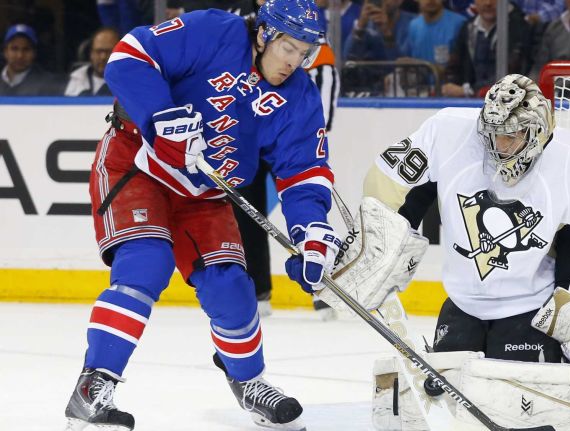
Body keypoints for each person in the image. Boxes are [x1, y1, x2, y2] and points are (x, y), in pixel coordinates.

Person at [63, 1, 342, 430]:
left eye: (304, 52)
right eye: (288, 46)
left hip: (204, 193)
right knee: (146, 264)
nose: (295, 61)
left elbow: (304, 169)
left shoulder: (298, 96)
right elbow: (128, 56)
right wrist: (163, 120)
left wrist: (311, 233)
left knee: (231, 285)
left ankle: (250, 383)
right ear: (264, 33)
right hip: (137, 165)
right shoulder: (217, 31)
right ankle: (93, 387)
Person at [362, 74, 570, 362]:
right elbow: (388, 183)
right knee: (448, 399)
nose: (499, 144)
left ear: (538, 132)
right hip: (461, 305)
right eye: (493, 132)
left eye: (511, 136)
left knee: (519, 403)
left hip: (530, 311)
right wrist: (378, 242)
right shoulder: (448, 131)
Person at [441, 0, 530, 98]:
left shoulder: (519, 28)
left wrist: (469, 91)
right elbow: (454, 66)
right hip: (470, 103)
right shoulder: (468, 27)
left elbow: (512, 71)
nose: (488, 3)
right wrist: (449, 84)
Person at [0, 24, 61, 96]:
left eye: (26, 49)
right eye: (14, 49)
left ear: (34, 53)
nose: (20, 56)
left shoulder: (49, 84)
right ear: (5, 52)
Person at [64, 27, 120, 97]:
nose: (103, 57)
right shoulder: (79, 77)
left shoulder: (131, 79)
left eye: (108, 52)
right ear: (91, 53)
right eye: (98, 51)